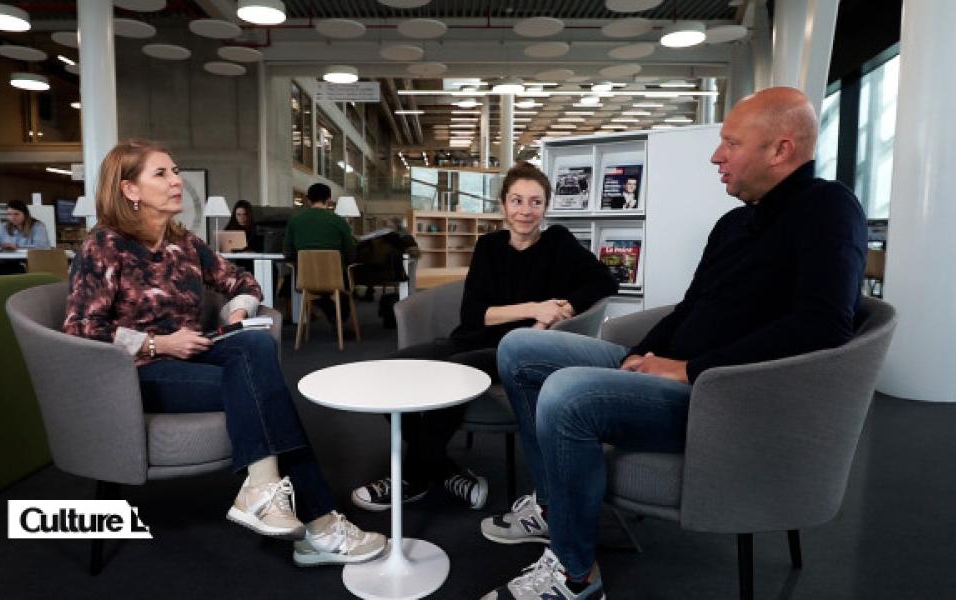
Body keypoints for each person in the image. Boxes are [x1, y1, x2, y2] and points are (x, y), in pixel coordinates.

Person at [480, 87, 868, 599]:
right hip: (676, 368)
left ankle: (575, 573)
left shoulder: (829, 208)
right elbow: (692, 307)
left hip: (720, 392)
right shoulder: (735, 222)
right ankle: (554, 506)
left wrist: (691, 368)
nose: (716, 155)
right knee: (518, 351)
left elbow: (823, 324)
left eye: (730, 143)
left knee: (565, 394)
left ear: (781, 149)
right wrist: (644, 354)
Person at [63, 139, 385, 567]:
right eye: (161, 174)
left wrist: (237, 312)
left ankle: (263, 493)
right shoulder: (104, 245)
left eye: (175, 170)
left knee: (252, 343)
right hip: (137, 373)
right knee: (266, 393)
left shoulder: (185, 243)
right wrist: (157, 343)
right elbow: (82, 328)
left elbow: (243, 283)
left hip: (193, 356)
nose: (176, 180)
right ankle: (319, 525)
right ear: (130, 190)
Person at [351, 162, 618, 513]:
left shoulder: (559, 243)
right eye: (517, 200)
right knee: (389, 370)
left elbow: (605, 280)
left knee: (455, 371)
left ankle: (412, 477)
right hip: (470, 337)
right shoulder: (490, 246)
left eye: (535, 202)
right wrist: (534, 308)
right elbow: (475, 315)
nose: (526, 211)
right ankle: (441, 469)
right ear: (504, 204)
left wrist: (561, 310)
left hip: (515, 350)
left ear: (546, 206)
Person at [283, 183, 357, 322]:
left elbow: (287, 252)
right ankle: (337, 317)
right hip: (335, 280)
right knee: (343, 288)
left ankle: (327, 308)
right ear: (329, 200)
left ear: (308, 199)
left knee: (293, 280)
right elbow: (351, 253)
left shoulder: (294, 221)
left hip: (304, 281)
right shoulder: (339, 222)